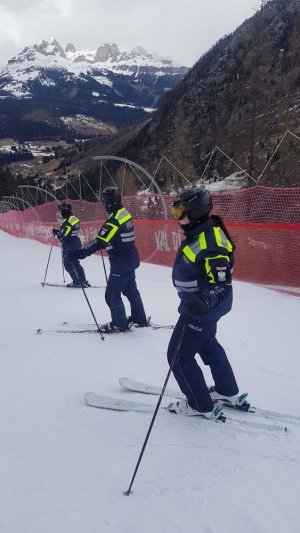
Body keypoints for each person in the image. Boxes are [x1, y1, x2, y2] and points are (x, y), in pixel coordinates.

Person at [166, 185, 240, 421]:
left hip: (199, 310)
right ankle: (226, 391)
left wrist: (204, 302)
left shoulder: (211, 242)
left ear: (196, 212)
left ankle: (200, 405)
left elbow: (220, 284)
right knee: (208, 345)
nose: (177, 218)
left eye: (180, 212)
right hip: (202, 308)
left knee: (178, 357)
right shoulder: (201, 233)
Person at [70, 186, 148, 333]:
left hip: (120, 263)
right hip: (130, 259)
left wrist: (80, 253)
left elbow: (100, 241)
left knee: (111, 295)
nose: (104, 205)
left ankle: (119, 324)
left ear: (109, 202)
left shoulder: (114, 220)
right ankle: (139, 318)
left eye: (104, 201)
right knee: (131, 291)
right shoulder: (124, 213)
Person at [52, 202, 90, 288]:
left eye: (61, 211)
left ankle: (77, 282)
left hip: (69, 245)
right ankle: (83, 281)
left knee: (68, 264)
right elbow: (67, 232)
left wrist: (55, 233)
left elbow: (63, 236)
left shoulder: (68, 222)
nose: (61, 213)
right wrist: (59, 232)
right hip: (75, 243)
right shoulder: (74, 218)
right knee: (76, 263)